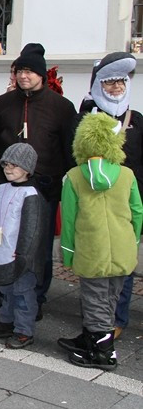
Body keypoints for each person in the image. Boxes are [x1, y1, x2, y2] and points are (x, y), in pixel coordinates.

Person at [0, 43, 76, 317]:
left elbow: (67, 148)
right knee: (3, 240)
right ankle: (5, 294)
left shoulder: (61, 107)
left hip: (42, 188)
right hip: (7, 185)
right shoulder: (4, 103)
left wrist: (49, 177)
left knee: (37, 246)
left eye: (30, 71)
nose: (24, 76)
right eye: (19, 70)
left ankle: (34, 297)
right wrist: (13, 171)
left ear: (42, 74)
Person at [58, 113, 143, 370]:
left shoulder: (73, 176)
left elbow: (69, 221)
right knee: (110, 299)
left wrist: (68, 254)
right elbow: (137, 212)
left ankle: (104, 353)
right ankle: (90, 340)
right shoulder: (127, 174)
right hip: (123, 251)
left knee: (94, 302)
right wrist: (134, 240)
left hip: (92, 251)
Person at [71, 52, 142, 340]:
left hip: (125, 202)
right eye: (110, 82)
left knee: (123, 263)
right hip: (93, 202)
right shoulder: (85, 118)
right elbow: (73, 157)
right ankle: (95, 320)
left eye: (121, 83)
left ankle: (116, 318)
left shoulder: (137, 119)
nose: (116, 87)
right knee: (95, 265)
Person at [0, 143, 47, 349]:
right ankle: (6, 322)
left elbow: (31, 231)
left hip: (21, 257)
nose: (8, 168)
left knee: (22, 295)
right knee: (6, 291)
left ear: (27, 168)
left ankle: (24, 330)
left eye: (14, 165)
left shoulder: (31, 196)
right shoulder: (1, 189)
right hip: (1, 252)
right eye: (6, 164)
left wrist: (23, 257)